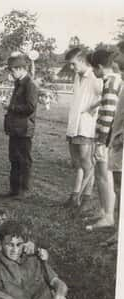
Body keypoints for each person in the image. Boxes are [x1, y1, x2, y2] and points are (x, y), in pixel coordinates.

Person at [86, 49, 122, 230]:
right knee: (103, 176)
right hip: (109, 138)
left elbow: (109, 115)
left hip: (106, 139)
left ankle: (108, 216)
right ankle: (103, 211)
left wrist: (101, 141)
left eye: (94, 68)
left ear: (100, 67)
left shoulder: (110, 83)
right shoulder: (115, 80)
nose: (93, 72)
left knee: (103, 176)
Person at [64, 48, 103, 213]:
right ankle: (74, 196)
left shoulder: (94, 76)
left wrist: (91, 108)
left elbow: (105, 95)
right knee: (77, 163)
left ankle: (86, 198)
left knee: (87, 164)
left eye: (73, 64)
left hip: (86, 127)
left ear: (82, 60)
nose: (72, 68)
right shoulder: (77, 76)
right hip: (73, 126)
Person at [0, 55, 38, 200]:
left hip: (24, 129)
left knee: (24, 161)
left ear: (21, 69)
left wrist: (11, 107)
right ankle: (14, 190)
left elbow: (30, 107)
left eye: (13, 70)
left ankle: (24, 191)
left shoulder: (30, 85)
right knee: (14, 159)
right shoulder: (19, 83)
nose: (11, 74)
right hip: (15, 128)